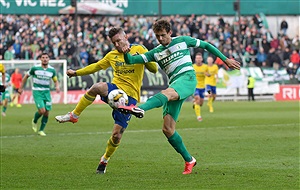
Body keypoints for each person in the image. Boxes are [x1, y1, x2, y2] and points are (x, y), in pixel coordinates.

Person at [117, 19, 240, 175]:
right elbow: (132, 61)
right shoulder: (155, 52)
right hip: (175, 83)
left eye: (163, 35)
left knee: (166, 94)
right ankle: (190, 160)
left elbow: (206, 45)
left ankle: (138, 108)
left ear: (170, 32)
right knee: (167, 129)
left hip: (187, 79)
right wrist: (126, 52)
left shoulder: (182, 41)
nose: (160, 39)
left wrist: (225, 59)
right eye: (157, 36)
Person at [54, 27, 158, 174]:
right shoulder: (112, 55)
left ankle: (104, 160)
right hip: (115, 90)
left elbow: (153, 69)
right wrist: (76, 73)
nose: (116, 45)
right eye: (113, 42)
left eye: (118, 41)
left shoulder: (139, 49)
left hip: (130, 97)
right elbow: (96, 66)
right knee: (97, 87)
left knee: (116, 136)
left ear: (126, 36)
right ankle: (74, 115)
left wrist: (141, 57)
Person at [18, 52, 60, 136]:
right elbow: (26, 76)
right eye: (43, 57)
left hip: (46, 92)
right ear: (40, 59)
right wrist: (21, 87)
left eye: (46, 57)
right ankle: (34, 120)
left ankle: (41, 130)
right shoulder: (35, 68)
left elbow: (55, 80)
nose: (45, 59)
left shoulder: (51, 70)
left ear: (49, 59)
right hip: (37, 91)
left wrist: (57, 86)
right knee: (42, 110)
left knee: (47, 112)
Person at [192, 53, 208, 121]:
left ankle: (195, 104)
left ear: (202, 59)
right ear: (195, 59)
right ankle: (199, 116)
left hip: (202, 87)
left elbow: (209, 75)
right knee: (197, 99)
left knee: (200, 103)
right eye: (197, 58)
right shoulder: (192, 67)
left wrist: (208, 74)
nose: (198, 59)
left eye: (199, 58)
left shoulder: (205, 67)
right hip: (195, 86)